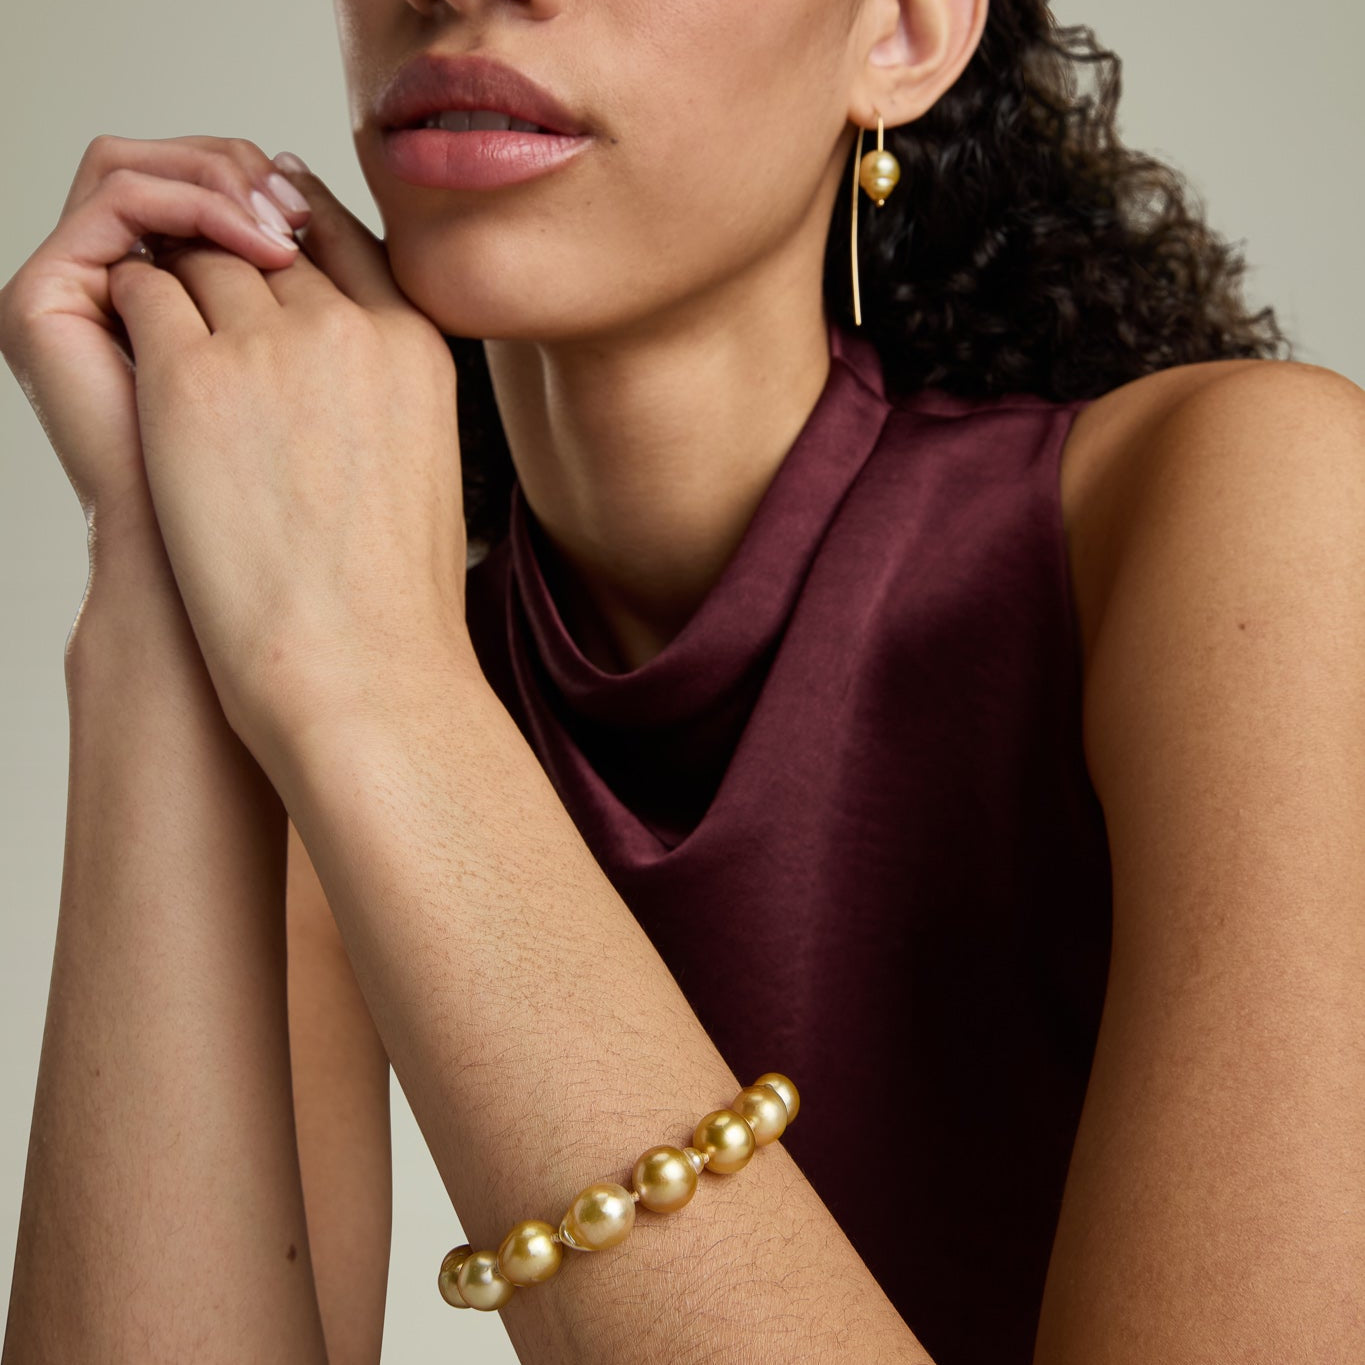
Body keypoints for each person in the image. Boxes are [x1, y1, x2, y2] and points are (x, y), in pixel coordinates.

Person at [0, 0, 1361, 1362]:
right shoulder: (325, 663)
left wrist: (379, 699)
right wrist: (161, 595)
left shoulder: (1266, 507)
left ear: (901, 30)